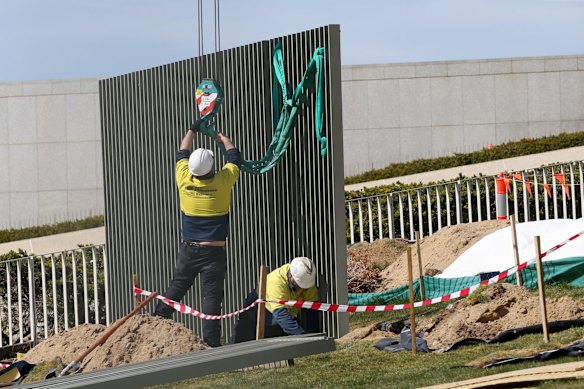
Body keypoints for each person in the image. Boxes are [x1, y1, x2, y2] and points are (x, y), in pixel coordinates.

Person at [154, 119, 241, 347]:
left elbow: (181, 152)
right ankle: (211, 343)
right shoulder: (223, 181)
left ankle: (155, 321)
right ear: (212, 167)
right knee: (211, 298)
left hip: (189, 249)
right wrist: (221, 136)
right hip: (214, 252)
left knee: (177, 286)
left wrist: (191, 129)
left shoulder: (183, 180)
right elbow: (235, 157)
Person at [232, 257, 320, 343]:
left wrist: (314, 338)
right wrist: (303, 336)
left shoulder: (307, 282)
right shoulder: (277, 282)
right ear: (292, 277)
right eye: (299, 285)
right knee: (241, 348)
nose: (302, 289)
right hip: (255, 315)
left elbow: (312, 311)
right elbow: (281, 315)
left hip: (279, 316)